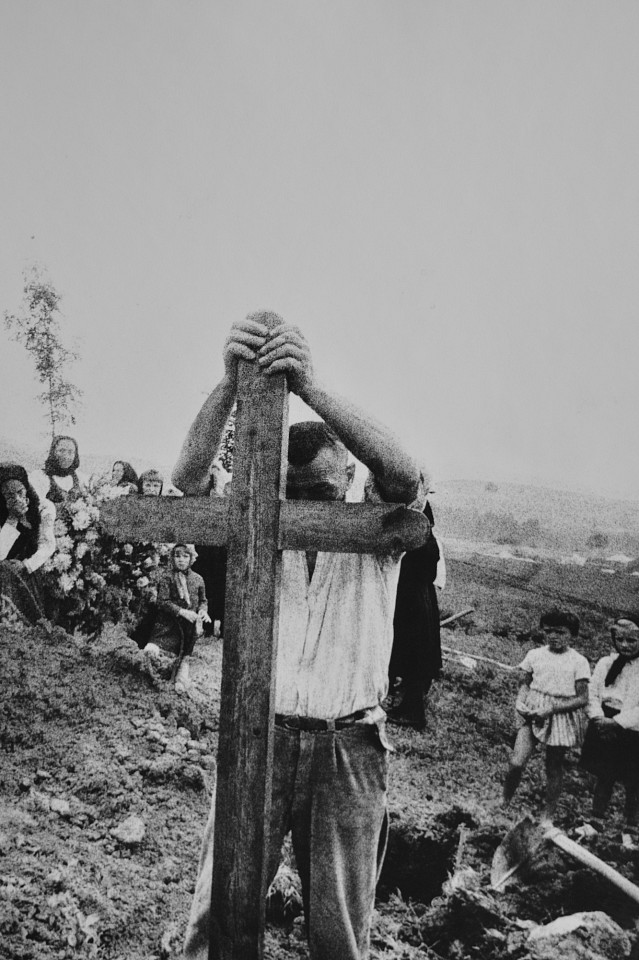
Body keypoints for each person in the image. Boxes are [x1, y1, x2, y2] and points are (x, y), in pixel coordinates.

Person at [172, 314, 426, 960]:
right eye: (292, 494)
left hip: (348, 746)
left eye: (320, 492)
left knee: (339, 932)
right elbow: (189, 480)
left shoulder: (377, 534)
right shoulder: (256, 518)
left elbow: (402, 475)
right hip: (258, 735)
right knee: (215, 917)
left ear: (348, 481)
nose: (304, 509)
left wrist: (309, 387)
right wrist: (230, 384)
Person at [502, 609, 590, 821]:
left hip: (560, 714)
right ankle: (503, 801)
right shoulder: (535, 655)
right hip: (533, 710)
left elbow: (581, 698)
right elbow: (526, 683)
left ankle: (547, 815)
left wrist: (552, 709)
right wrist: (520, 702)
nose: (554, 636)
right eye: (549, 631)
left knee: (553, 766)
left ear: (572, 634)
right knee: (516, 762)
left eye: (560, 632)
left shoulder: (578, 662)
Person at [387, 501, 442, 730]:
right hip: (417, 600)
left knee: (414, 657)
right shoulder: (426, 540)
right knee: (411, 655)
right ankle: (407, 707)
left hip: (414, 602)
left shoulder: (422, 542)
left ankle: (413, 713)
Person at [581, 616, 639, 830]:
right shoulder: (607, 663)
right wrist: (598, 718)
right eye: (620, 639)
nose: (625, 645)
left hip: (631, 728)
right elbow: (592, 692)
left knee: (634, 780)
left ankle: (631, 827)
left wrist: (617, 722)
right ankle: (596, 819)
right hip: (603, 724)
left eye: (632, 640)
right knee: (605, 774)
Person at [144, 543, 210, 692]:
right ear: (172, 558)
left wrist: (203, 611)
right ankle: (152, 677)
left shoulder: (198, 579)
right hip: (168, 623)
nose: (181, 560)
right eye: (177, 556)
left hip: (189, 627)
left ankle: (180, 678)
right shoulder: (167, 577)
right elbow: (162, 601)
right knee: (156, 649)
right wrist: (182, 612)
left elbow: (203, 600)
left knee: (185, 653)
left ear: (191, 558)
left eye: (185, 556)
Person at [0, 462, 56, 624]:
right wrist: (12, 518)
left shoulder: (43, 508)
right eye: (10, 496)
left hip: (31, 570)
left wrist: (27, 565)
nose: (17, 498)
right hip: (5, 571)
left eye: (19, 492)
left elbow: (48, 545)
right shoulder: (2, 511)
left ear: (26, 488)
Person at [29, 435, 87, 506]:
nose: (66, 456)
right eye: (61, 451)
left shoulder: (81, 479)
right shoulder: (40, 477)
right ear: (53, 452)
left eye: (70, 452)